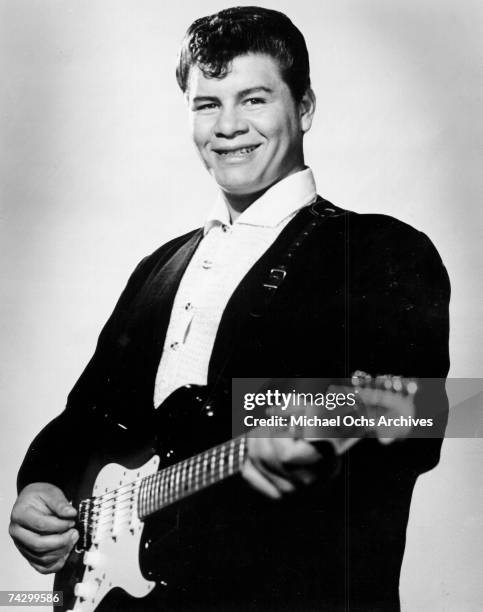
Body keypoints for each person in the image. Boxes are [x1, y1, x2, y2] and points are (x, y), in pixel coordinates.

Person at [9, 7, 450, 611]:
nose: (228, 126)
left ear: (306, 107)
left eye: (254, 99)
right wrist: (41, 483)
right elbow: (87, 417)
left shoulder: (380, 250)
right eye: (206, 104)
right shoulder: (160, 269)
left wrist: (306, 431)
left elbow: (419, 410)